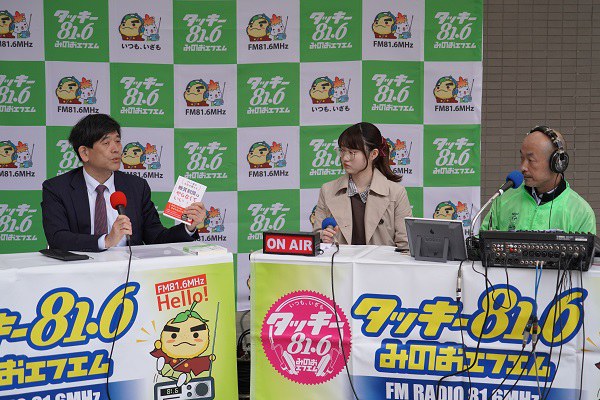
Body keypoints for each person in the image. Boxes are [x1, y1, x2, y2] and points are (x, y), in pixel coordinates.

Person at [42, 114, 206, 251]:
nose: (116, 149)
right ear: (84, 153)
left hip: (129, 272)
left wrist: (188, 227)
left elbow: (155, 237)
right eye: (106, 143)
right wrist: (106, 240)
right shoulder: (57, 188)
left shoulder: (137, 187)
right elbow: (57, 238)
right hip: (79, 272)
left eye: (118, 141)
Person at [313, 122, 413, 249]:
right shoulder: (327, 190)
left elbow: (406, 246)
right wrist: (324, 239)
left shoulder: (396, 193)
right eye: (342, 151)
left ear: (373, 154)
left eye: (352, 152)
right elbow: (316, 239)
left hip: (381, 262)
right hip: (339, 262)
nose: (345, 158)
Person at [481, 125, 596, 234]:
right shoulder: (505, 195)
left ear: (557, 163)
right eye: (522, 158)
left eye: (531, 160)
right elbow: (482, 241)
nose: (523, 167)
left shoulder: (580, 212)